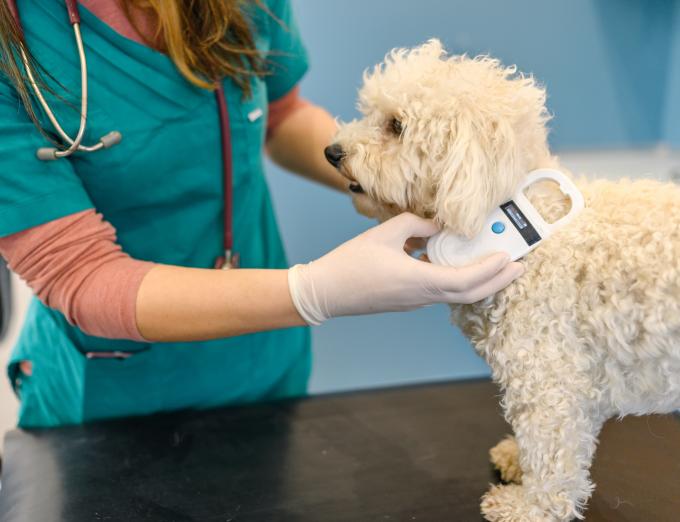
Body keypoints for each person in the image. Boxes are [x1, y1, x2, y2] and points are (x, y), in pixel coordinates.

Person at [0, 0, 523, 428]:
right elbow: (79, 274)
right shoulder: (18, 40)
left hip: (265, 367)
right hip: (110, 398)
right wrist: (314, 291)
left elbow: (280, 112)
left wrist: (399, 179)